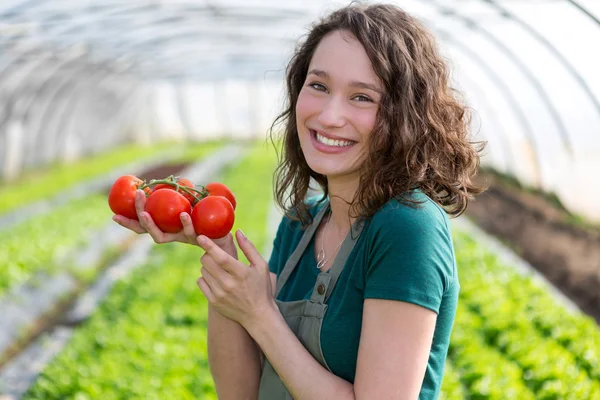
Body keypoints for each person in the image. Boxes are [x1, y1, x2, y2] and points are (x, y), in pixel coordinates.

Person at [114, 3, 485, 399]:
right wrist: (219, 251)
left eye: (362, 97)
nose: (328, 116)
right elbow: (239, 391)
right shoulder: (303, 222)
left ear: (404, 116)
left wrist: (261, 315)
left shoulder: (408, 227)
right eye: (319, 86)